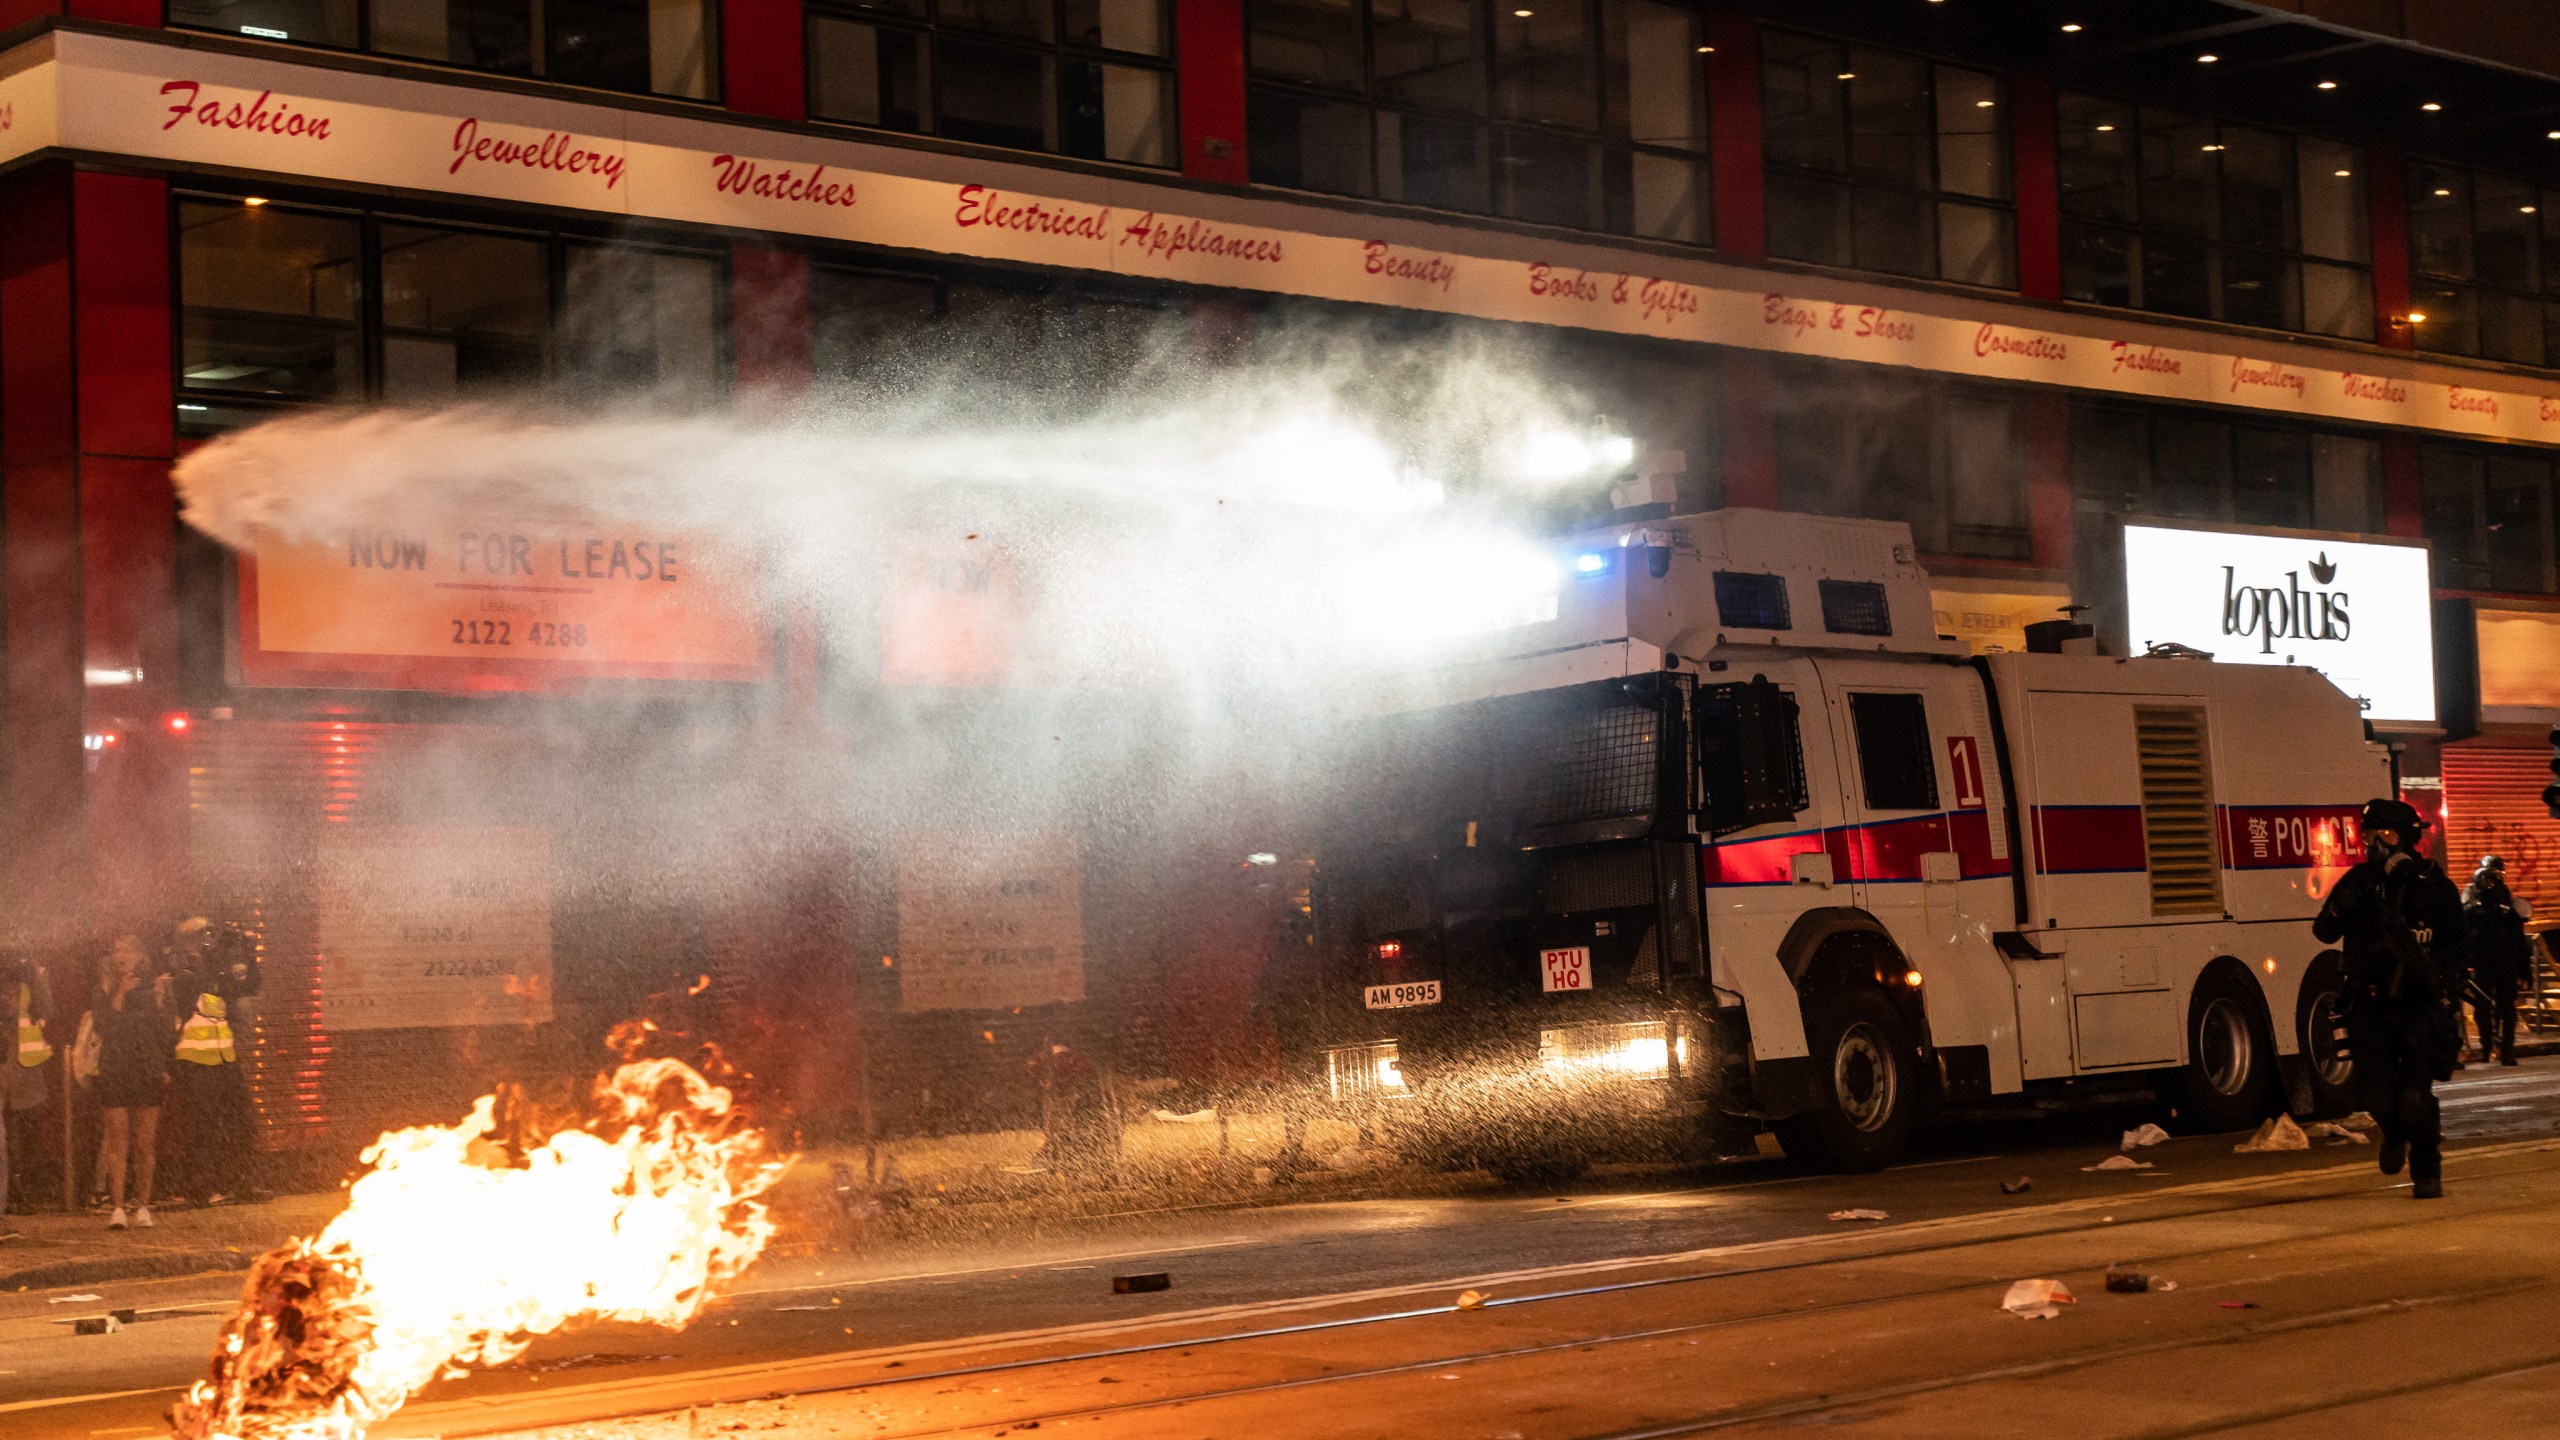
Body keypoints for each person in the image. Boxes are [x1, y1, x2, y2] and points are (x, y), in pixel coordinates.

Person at [2313, 798, 2467, 1199]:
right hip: (2370, 1004)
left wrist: (2441, 977)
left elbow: (2458, 945)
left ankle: (2427, 1170)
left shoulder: (2434, 887)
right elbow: (2324, 932)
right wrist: (2347, 902)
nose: (2377, 846)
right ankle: (2394, 1134)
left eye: (2386, 836)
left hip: (2418, 1006)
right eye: (2370, 837)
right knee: (2376, 1095)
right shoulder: (2359, 882)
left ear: (2408, 839)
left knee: (2414, 1097)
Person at [168, 919, 262, 1206]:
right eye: (200, 935)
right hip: (197, 1060)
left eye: (208, 935)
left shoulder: (215, 968)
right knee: (203, 1127)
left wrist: (247, 955)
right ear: (186, 940)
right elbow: (195, 990)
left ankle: (242, 1185)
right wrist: (213, 959)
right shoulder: (180, 969)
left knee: (242, 1121)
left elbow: (247, 987)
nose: (206, 940)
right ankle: (199, 1189)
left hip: (224, 1057)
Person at [90, 934, 174, 1229]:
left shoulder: (155, 986)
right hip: (115, 1070)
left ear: (141, 956)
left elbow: (165, 1029)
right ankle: (116, 1207)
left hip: (146, 1071)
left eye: (127, 950)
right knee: (118, 1142)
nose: (120, 954)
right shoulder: (104, 986)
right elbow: (103, 1027)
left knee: (144, 1143)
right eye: (116, 949)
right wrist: (120, 993)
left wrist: (162, 1001)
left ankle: (143, 1205)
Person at [2463, 856, 2532, 1068]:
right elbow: (2462, 935)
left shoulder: (2505, 907)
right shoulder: (2473, 907)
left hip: (2501, 964)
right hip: (2486, 964)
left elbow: (2518, 940)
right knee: (2485, 1007)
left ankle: (2504, 1050)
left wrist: (2523, 969)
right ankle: (2490, 1048)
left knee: (2504, 1008)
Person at [2, 949, 54, 1230]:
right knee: (8, 1134)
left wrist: (33, 973)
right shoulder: (4, 983)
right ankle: (11, 1192)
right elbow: (6, 1012)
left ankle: (25, 1189)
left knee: (28, 1132)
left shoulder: (36, 977)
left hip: (29, 1066)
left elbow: (47, 1010)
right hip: (6, 1065)